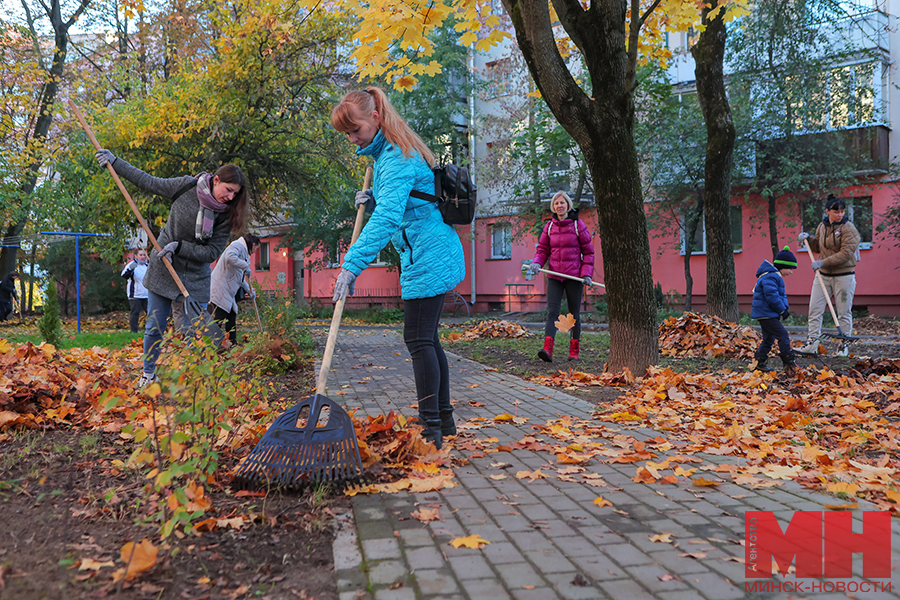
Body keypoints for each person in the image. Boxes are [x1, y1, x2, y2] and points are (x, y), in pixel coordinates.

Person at [330, 86, 465, 450]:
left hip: (428, 254)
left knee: (418, 339)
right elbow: (408, 202)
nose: (352, 138)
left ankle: (430, 428)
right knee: (428, 340)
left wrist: (351, 266)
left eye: (354, 129)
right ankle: (444, 421)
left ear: (374, 118)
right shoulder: (389, 153)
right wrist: (375, 198)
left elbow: (390, 218)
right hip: (428, 248)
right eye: (347, 133)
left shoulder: (394, 159)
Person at [95, 149, 250, 387]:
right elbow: (148, 181)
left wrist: (179, 247)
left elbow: (211, 253)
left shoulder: (225, 216)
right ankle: (148, 375)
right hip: (163, 268)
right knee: (154, 326)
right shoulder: (186, 187)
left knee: (195, 332)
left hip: (195, 278)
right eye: (228, 190)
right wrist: (115, 163)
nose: (230, 197)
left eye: (235, 194)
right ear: (216, 180)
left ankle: (197, 381)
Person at [527, 191, 595, 362]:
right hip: (555, 275)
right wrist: (537, 263)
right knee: (552, 313)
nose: (559, 206)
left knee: (574, 315)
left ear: (568, 205)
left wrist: (586, 274)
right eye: (556, 203)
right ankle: (547, 349)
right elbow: (542, 250)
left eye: (562, 202)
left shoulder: (578, 225)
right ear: (553, 207)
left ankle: (574, 350)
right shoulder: (549, 227)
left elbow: (588, 252)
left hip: (574, 277)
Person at [797, 196, 860, 357]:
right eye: (836, 211)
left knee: (844, 312)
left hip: (844, 276)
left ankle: (842, 346)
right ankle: (812, 343)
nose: (839, 214)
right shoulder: (822, 227)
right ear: (827, 212)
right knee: (815, 310)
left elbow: (846, 253)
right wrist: (807, 239)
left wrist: (822, 262)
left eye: (842, 211)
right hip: (823, 276)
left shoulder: (849, 228)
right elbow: (818, 246)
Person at [751, 246, 798, 373]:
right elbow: (772, 296)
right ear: (782, 266)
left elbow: (781, 295)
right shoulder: (771, 277)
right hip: (766, 313)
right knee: (783, 335)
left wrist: (784, 308)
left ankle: (760, 362)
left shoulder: (774, 277)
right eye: (790, 268)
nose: (791, 272)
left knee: (769, 338)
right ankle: (789, 364)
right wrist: (782, 310)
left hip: (766, 313)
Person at [209, 233, 260, 344]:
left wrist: (250, 291)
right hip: (220, 289)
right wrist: (245, 266)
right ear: (254, 244)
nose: (256, 251)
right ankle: (211, 345)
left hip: (228, 292)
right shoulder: (237, 245)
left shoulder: (245, 255)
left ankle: (232, 343)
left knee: (231, 316)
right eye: (257, 248)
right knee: (219, 318)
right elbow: (229, 257)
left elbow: (240, 278)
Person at [121, 249, 149, 333]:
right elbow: (124, 276)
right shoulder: (132, 265)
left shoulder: (147, 266)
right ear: (135, 256)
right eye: (140, 255)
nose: (143, 257)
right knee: (135, 313)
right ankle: (134, 331)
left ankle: (150, 330)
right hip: (135, 294)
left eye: (144, 255)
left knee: (150, 313)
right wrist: (130, 269)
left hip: (147, 294)